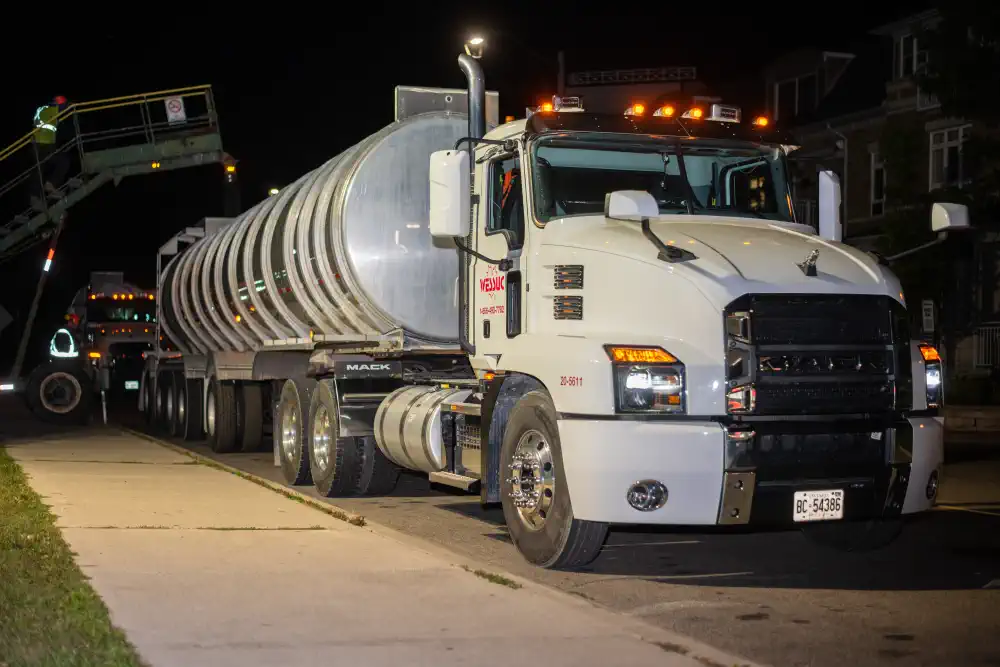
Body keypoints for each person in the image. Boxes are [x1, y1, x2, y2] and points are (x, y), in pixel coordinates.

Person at [32, 95, 70, 203]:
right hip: (45, 143)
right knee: (63, 161)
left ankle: (34, 197)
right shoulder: (53, 110)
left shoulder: (42, 109)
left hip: (35, 144)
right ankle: (50, 185)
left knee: (39, 169)